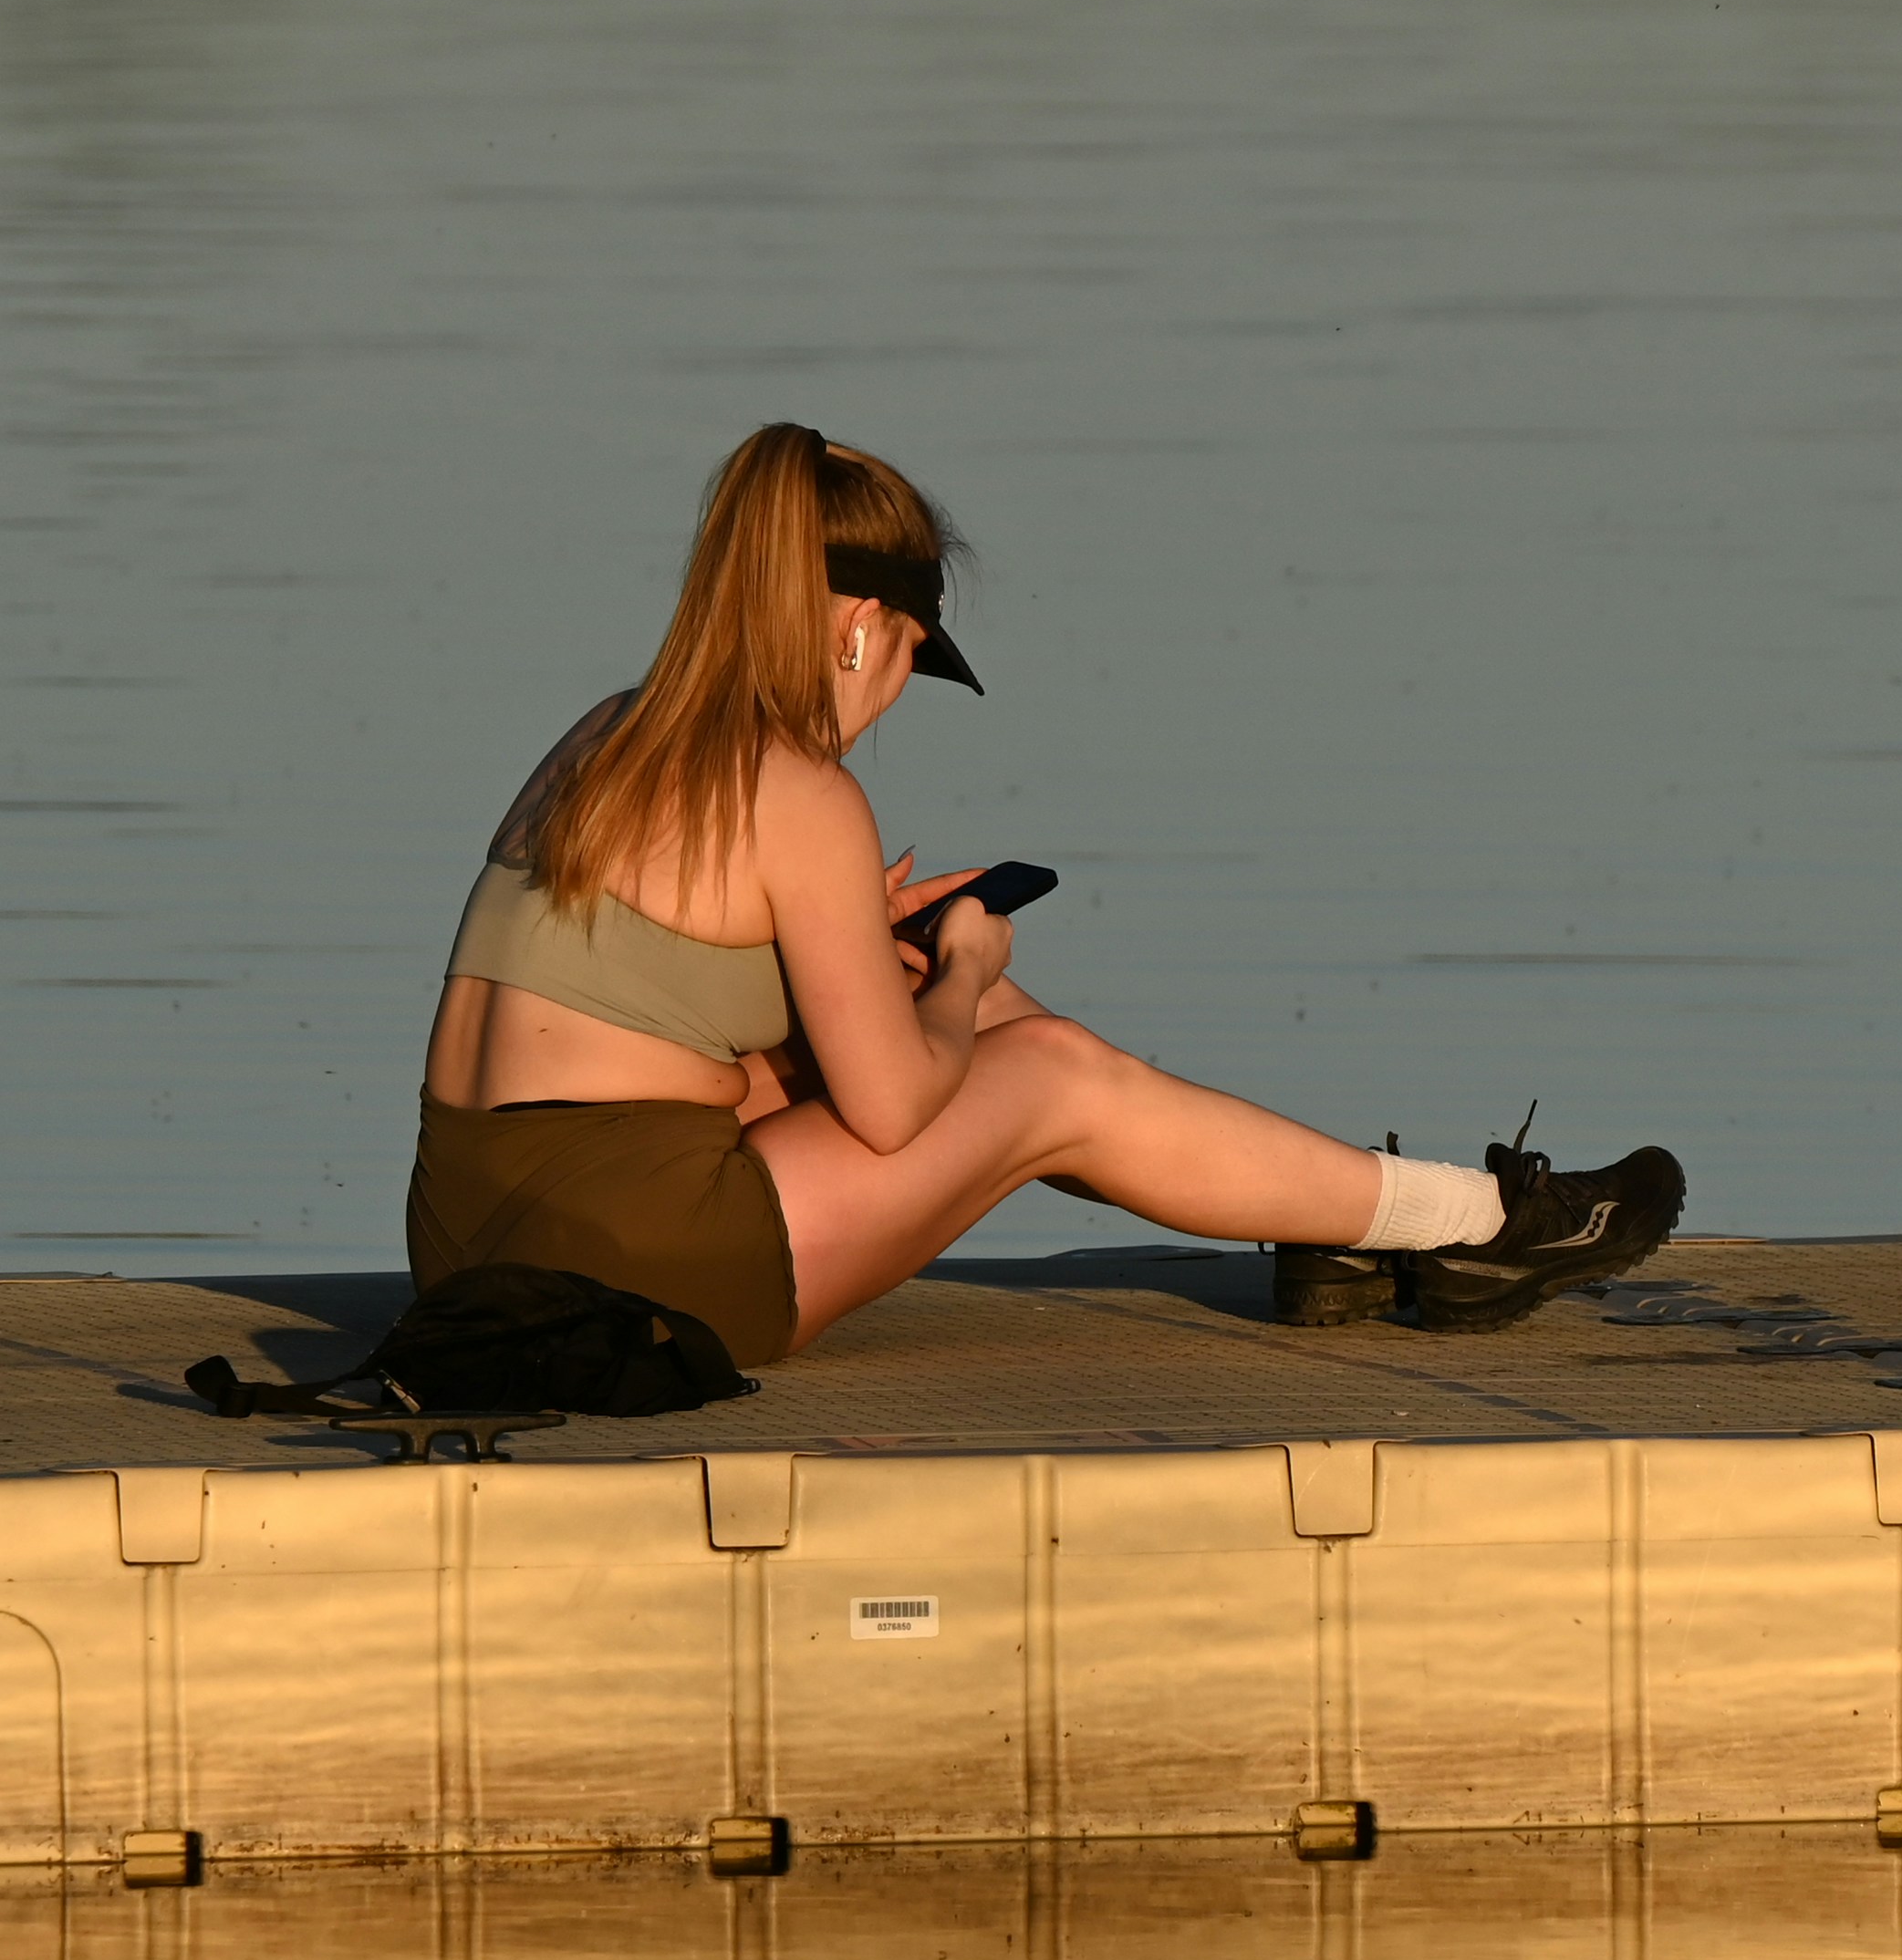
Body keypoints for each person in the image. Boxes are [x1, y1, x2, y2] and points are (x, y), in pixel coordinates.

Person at [411, 423, 1680, 1371]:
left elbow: (620, 1026)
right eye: (909, 653)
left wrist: (870, 946)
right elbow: (900, 1110)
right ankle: (1475, 1221)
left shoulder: (603, 736)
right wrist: (959, 968)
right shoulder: (798, 790)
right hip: (627, 1260)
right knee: (1048, 1068)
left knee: (985, 1023)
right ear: (859, 624)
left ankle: (1349, 1226)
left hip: (461, 1236)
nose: (895, 690)